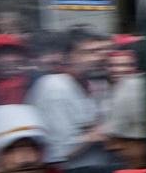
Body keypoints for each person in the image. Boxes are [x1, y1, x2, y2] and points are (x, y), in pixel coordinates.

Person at [27, 29, 110, 162]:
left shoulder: (97, 83)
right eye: (90, 52)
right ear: (68, 57)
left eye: (101, 51)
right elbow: (59, 151)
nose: (100, 57)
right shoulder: (54, 86)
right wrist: (97, 133)